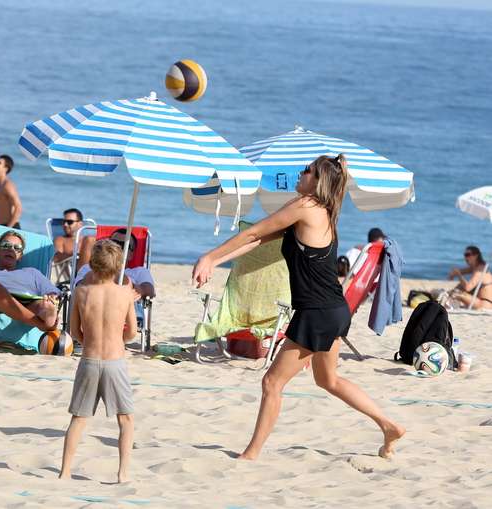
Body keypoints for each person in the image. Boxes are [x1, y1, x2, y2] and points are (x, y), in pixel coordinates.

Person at [192, 154, 405, 460]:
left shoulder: (304, 206)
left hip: (316, 313)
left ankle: (251, 454)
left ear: (319, 182)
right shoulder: (324, 211)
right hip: (334, 310)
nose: (301, 173)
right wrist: (216, 261)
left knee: (271, 382)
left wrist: (209, 257)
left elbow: (252, 232)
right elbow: (259, 239)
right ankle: (388, 425)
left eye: (308, 171)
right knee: (328, 380)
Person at [59, 239, 137, 483]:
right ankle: (123, 473)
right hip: (115, 361)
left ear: (92, 265)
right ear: (118, 267)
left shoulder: (81, 292)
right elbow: (133, 332)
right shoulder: (124, 293)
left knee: (79, 419)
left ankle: (65, 471)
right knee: (125, 420)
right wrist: (119, 339)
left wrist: (89, 339)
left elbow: (75, 331)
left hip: (89, 360)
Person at [0, 230, 58, 331]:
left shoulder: (33, 273)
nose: (11, 249)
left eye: (17, 248)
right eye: (6, 245)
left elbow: (51, 290)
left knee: (43, 304)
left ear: (20, 256)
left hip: (28, 301)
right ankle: (41, 324)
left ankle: (46, 314)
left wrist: (51, 297)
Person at [75, 228, 155, 300]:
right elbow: (79, 287)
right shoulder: (88, 268)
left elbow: (149, 291)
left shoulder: (139, 272)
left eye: (124, 245)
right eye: (114, 243)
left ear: (131, 254)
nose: (118, 248)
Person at [444, 246, 492, 310]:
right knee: (460, 286)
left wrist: (459, 275)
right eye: (465, 255)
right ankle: (448, 303)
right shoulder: (475, 268)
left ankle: (447, 305)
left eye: (468, 255)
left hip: (484, 304)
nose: (465, 258)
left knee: (457, 293)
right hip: (479, 301)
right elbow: (459, 271)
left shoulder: (480, 271)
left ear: (476, 255)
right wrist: (452, 275)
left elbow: (467, 288)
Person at [53, 208, 94, 272]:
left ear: (80, 224)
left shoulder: (85, 240)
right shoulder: (60, 240)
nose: (65, 225)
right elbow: (57, 258)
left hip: (91, 270)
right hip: (73, 272)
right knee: (90, 239)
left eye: (70, 222)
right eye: (64, 222)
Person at [0, 154, 22, 228]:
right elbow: (0, 208)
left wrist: (9, 228)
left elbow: (18, 208)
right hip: (0, 225)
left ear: (5, 168)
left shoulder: (8, 185)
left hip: (11, 226)